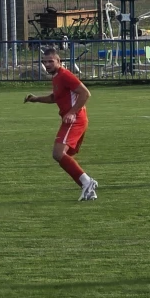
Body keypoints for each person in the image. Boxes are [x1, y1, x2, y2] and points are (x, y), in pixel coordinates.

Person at [23, 46, 99, 200]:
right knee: (64, 156)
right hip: (71, 119)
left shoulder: (65, 75)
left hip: (75, 120)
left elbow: (85, 93)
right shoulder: (57, 77)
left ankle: (87, 182)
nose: (47, 64)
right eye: (45, 62)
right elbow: (54, 97)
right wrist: (36, 99)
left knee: (58, 154)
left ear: (59, 61)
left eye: (51, 61)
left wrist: (72, 112)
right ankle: (88, 190)